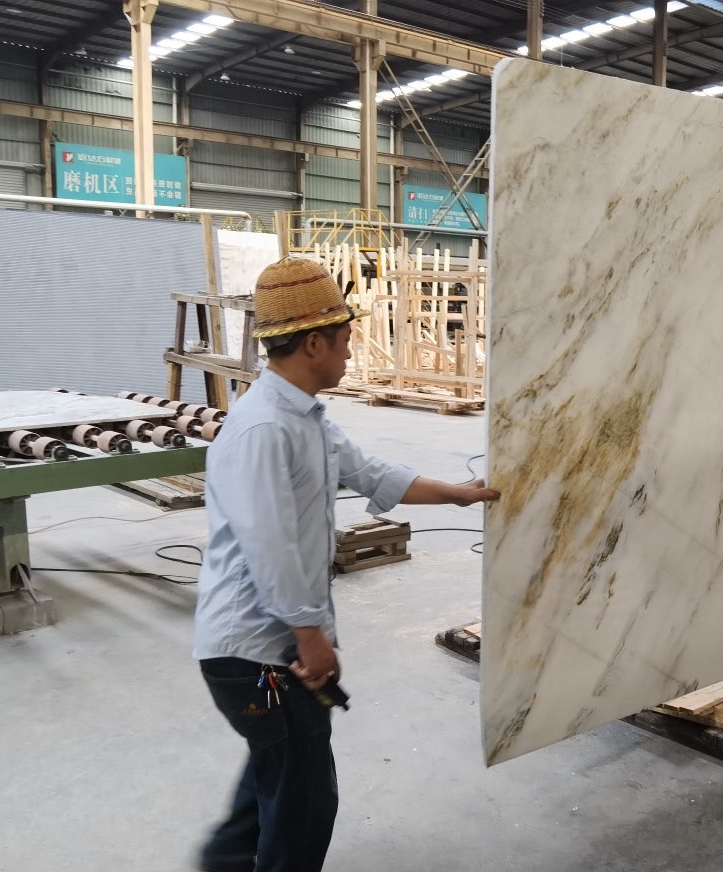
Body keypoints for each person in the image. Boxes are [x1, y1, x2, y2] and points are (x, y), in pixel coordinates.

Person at [191, 256, 498, 872]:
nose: (352, 351)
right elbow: (269, 547)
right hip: (257, 654)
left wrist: (457, 493)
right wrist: (311, 637)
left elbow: (369, 472)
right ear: (314, 344)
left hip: (269, 645)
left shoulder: (304, 417)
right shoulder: (263, 429)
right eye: (345, 338)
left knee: (276, 774)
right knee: (304, 803)